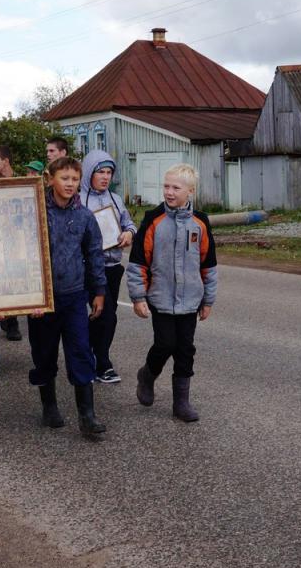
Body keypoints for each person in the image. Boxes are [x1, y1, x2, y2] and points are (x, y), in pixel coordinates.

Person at [127, 163, 217, 423]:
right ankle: (147, 374)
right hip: (161, 297)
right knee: (165, 343)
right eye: (166, 186)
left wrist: (208, 299)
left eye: (176, 188)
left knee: (185, 349)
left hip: (190, 300)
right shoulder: (153, 219)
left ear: (190, 191)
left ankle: (181, 403)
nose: (169, 192)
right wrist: (138, 297)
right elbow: (137, 262)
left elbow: (208, 264)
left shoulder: (200, 222)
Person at [28, 157, 107, 437]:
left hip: (74, 296)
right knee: (44, 353)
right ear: (50, 179)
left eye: (75, 179)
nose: (70, 184)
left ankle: (87, 415)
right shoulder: (35, 212)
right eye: (64, 178)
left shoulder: (85, 216)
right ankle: (49, 405)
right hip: (43, 299)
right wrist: (30, 298)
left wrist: (99, 291)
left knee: (81, 352)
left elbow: (94, 254)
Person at [79, 150, 136, 384]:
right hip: (90, 268)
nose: (105, 177)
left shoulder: (116, 199)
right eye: (100, 172)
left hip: (113, 265)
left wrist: (129, 233)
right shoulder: (79, 200)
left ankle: (91, 357)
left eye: (109, 172)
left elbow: (129, 222)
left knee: (104, 315)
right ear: (88, 173)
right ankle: (103, 364)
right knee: (105, 316)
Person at [0, 145, 22, 342]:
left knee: (14, 276)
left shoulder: (24, 183)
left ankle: (12, 320)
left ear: (6, 161)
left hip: (16, 236)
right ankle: (3, 317)